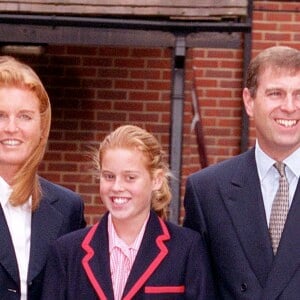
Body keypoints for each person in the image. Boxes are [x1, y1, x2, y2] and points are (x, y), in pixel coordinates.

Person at [41, 124, 216, 299]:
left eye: (130, 178)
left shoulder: (187, 249)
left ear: (156, 180)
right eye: (109, 176)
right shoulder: (67, 252)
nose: (117, 187)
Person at [183, 45, 300, 299]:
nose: (290, 106)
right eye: (276, 94)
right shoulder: (207, 192)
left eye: (299, 94)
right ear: (249, 101)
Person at [0, 55, 86, 300]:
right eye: (1, 115)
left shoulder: (69, 207)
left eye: (25, 116)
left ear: (42, 126)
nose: (11, 128)